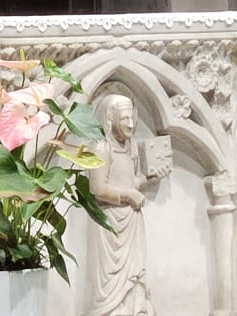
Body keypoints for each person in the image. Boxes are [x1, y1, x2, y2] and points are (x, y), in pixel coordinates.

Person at [88, 94, 155, 316]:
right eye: (124, 119)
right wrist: (128, 196)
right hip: (110, 224)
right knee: (112, 279)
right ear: (110, 119)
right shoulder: (101, 147)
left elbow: (129, 182)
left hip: (131, 221)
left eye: (132, 118)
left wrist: (149, 178)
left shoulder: (129, 147)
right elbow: (98, 188)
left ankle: (135, 310)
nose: (131, 124)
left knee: (135, 275)